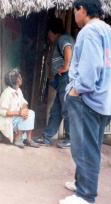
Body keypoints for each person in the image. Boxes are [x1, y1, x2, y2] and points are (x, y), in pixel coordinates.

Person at [59, 0, 111, 204]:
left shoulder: (89, 32)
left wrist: (76, 90)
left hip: (87, 99)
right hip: (104, 98)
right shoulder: (107, 30)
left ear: (82, 9)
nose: (75, 15)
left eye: (75, 11)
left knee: (83, 148)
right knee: (92, 145)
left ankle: (86, 195)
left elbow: (90, 69)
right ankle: (82, 182)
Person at [34, 18, 75, 148]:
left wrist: (66, 66)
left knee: (67, 108)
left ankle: (71, 138)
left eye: (49, 35)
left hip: (67, 78)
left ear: (52, 32)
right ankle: (46, 137)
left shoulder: (63, 38)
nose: (49, 38)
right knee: (56, 110)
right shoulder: (62, 39)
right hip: (63, 79)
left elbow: (68, 49)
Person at [0, 69, 40, 148]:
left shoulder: (18, 90)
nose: (21, 78)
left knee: (30, 113)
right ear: (17, 80)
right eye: (19, 77)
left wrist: (24, 109)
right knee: (23, 115)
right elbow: (2, 112)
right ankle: (17, 138)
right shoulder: (7, 93)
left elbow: (24, 103)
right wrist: (19, 113)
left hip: (15, 118)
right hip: (8, 121)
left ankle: (28, 139)